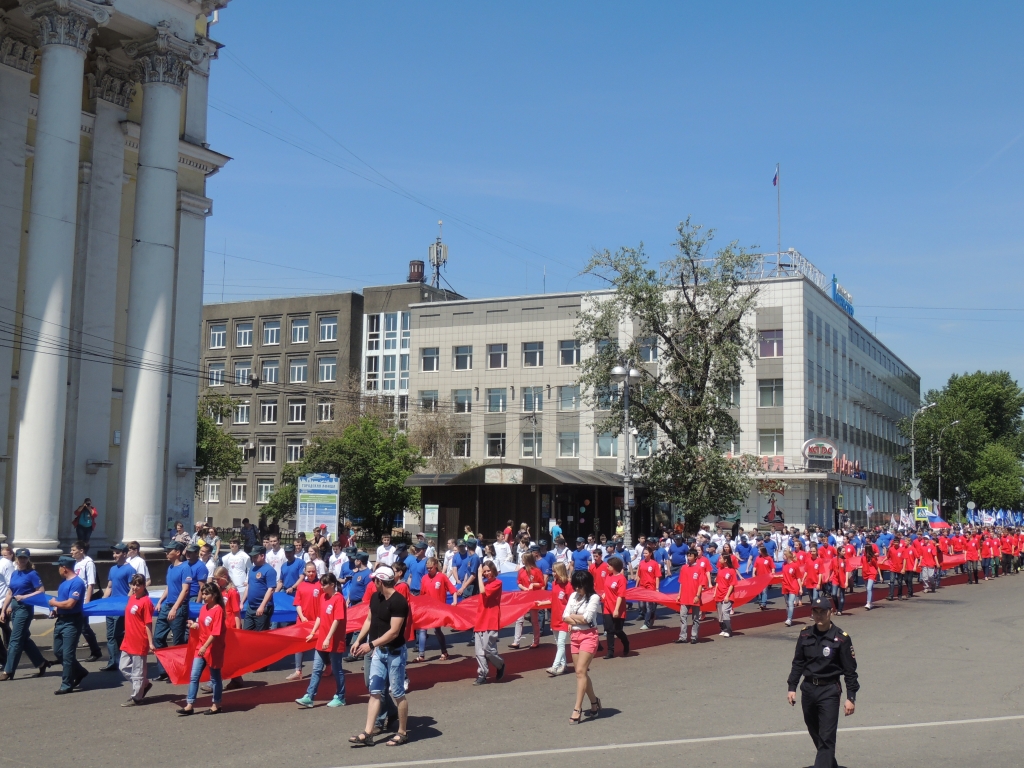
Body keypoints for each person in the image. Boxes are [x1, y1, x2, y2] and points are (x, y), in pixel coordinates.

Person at [787, 595, 859, 768]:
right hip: (809, 690)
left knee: (827, 738)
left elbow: (850, 670)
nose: (818, 616)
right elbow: (798, 663)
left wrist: (851, 697)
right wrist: (792, 687)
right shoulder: (805, 635)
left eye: (823, 612)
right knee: (816, 734)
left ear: (830, 613)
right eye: (815, 612)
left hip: (829, 691)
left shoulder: (841, 638)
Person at [350, 565, 411, 747]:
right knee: (375, 691)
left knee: (398, 692)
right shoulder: (375, 597)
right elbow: (369, 620)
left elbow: (393, 632)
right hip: (379, 653)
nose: (372, 582)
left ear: (380, 581)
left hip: (395, 653)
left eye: (374, 579)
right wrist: (358, 639)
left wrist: (370, 645)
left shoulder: (399, 602)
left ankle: (402, 732)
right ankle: (368, 733)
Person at [296, 572, 347, 709]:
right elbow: (319, 616)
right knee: (317, 668)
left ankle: (341, 696)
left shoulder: (339, 599)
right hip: (322, 638)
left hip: (334, 640)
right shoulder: (323, 597)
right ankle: (310, 696)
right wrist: (313, 632)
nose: (322, 587)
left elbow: (337, 620)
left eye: (324, 584)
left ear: (332, 585)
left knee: (337, 670)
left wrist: (329, 638)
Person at [0, 549, 52, 680]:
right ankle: (41, 662)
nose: (22, 560)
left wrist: (25, 596)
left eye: (25, 558)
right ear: (16, 558)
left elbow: (40, 590)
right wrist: (4, 609)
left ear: (28, 559)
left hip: (25, 609)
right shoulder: (15, 573)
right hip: (15, 607)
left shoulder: (32, 574)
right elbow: (10, 592)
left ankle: (8, 671)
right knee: (24, 639)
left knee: (15, 640)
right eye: (20, 557)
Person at [178, 582, 226, 715]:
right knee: (194, 676)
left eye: (206, 594)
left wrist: (205, 647)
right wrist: (194, 625)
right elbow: (202, 625)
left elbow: (215, 633)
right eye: (203, 593)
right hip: (201, 647)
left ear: (214, 595)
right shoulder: (204, 608)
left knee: (215, 678)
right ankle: (189, 704)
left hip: (213, 648)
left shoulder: (218, 610)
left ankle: (216, 704)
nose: (203, 596)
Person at [563, 568, 603, 723]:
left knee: (580, 671)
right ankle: (594, 701)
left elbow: (587, 619)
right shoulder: (573, 595)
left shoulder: (594, 598)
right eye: (575, 586)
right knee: (581, 673)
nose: (577, 589)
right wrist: (574, 618)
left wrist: (572, 617)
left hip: (589, 636)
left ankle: (577, 708)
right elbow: (564, 616)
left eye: (580, 586)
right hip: (574, 636)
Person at [49, 555, 89, 694]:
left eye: (59, 567)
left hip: (72, 621)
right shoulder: (63, 582)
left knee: (67, 654)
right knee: (58, 651)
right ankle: (80, 671)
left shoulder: (77, 583)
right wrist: (55, 609)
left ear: (65, 568)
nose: (58, 570)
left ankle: (67, 684)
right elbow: (63, 601)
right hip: (61, 620)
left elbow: (70, 603)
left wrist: (54, 603)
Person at [154, 542, 192, 682]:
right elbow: (169, 587)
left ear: (178, 552)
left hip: (179, 607)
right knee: (158, 637)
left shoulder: (185, 568)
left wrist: (175, 608)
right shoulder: (170, 568)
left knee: (177, 641)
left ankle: (177, 671)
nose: (167, 552)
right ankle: (164, 670)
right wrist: (160, 601)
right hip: (167, 606)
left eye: (169, 550)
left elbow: (185, 589)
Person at [118, 573, 154, 706]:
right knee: (123, 667)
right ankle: (144, 684)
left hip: (140, 640)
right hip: (128, 639)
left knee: (138, 671)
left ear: (144, 586)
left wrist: (151, 642)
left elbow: (148, 624)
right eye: (133, 584)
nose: (135, 587)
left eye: (138, 585)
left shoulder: (146, 602)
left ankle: (137, 697)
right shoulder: (132, 597)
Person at [101, 543, 136, 672]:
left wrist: (125, 605)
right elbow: (109, 587)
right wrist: (103, 602)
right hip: (111, 606)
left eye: (117, 553)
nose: (114, 555)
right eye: (114, 553)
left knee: (118, 635)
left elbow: (132, 589)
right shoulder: (113, 569)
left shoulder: (130, 569)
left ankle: (123, 660)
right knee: (110, 636)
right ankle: (112, 661)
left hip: (121, 608)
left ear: (125, 554)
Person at [471, 561, 506, 686]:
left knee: (488, 648)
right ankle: (482, 674)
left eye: (488, 570)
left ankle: (500, 664)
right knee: (479, 651)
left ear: (493, 570)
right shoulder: (485, 583)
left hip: (490, 620)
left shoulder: (497, 583)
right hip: (481, 619)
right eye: (484, 571)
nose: (486, 573)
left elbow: (482, 591)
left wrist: (479, 575)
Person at [288, 561, 322, 681]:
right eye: (309, 571)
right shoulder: (301, 585)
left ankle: (323, 669)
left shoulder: (321, 584)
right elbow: (297, 603)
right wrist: (302, 617)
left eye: (313, 571)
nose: (311, 573)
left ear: (316, 571)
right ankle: (298, 671)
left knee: (320, 646)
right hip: (303, 621)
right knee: (299, 646)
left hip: (317, 621)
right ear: (305, 572)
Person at [70, 541, 103, 662]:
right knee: (76, 626)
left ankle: (95, 651)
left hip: (83, 600)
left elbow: (91, 583)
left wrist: (87, 601)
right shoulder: (77, 563)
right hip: (75, 599)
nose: (71, 552)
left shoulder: (88, 563)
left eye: (73, 550)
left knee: (84, 627)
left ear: (81, 551)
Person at [419, 557, 456, 661]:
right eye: (427, 568)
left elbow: (453, 590)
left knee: (437, 630)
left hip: (438, 609)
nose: (429, 570)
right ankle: (421, 655)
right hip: (427, 608)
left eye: (430, 568)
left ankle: (444, 652)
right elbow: (422, 594)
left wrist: (454, 601)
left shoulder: (442, 577)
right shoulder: (424, 578)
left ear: (435, 566)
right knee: (422, 630)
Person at [511, 552, 545, 649]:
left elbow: (542, 583)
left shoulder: (536, 571)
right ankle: (516, 641)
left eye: (523, 558)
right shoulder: (521, 571)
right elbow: (519, 583)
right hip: (523, 597)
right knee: (519, 619)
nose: (522, 560)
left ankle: (536, 641)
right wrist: (524, 588)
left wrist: (533, 585)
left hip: (533, 597)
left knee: (534, 620)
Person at [546, 562, 572, 675]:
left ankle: (555, 667)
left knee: (561, 643)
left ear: (560, 571)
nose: (553, 573)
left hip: (565, 618)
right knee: (558, 643)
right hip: (555, 617)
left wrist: (571, 620)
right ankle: (563, 665)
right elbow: (552, 600)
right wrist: (541, 602)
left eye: (554, 571)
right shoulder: (554, 583)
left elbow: (572, 604)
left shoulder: (568, 585)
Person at [601, 557, 630, 659]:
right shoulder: (608, 576)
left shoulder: (621, 579)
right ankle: (610, 651)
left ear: (614, 567)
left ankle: (626, 643)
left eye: (609, 565)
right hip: (607, 607)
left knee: (617, 630)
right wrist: (604, 594)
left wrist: (617, 609)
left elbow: (620, 595)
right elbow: (607, 588)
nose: (607, 567)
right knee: (609, 630)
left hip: (618, 607)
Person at [244, 545, 277, 631]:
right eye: (252, 557)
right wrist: (242, 602)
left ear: (262, 556)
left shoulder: (269, 570)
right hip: (250, 607)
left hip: (262, 608)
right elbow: (248, 586)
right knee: (246, 632)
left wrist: (262, 606)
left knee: (260, 635)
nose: (253, 559)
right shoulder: (252, 569)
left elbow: (271, 589)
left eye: (255, 557)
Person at [675, 549, 704, 644]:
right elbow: (681, 582)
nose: (689, 558)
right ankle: (682, 637)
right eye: (688, 556)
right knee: (682, 617)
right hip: (684, 596)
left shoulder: (699, 568)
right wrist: (679, 594)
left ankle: (694, 636)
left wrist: (697, 596)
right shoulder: (684, 568)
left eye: (691, 556)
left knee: (695, 618)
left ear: (695, 557)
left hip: (694, 597)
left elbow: (701, 584)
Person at [636, 547, 661, 629]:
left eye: (646, 553)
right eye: (644, 553)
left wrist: (657, 588)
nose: (644, 555)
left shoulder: (654, 564)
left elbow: (657, 577)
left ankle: (646, 623)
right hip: (642, 586)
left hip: (651, 586)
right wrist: (636, 586)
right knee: (642, 605)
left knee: (648, 605)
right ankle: (652, 615)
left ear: (650, 554)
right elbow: (639, 576)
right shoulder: (641, 563)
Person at [221, 538, 251, 603]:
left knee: (240, 603)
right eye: (231, 543)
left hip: (241, 584)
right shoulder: (226, 557)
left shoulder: (244, 556)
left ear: (238, 545)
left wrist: (247, 580)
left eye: (234, 543)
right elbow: (224, 570)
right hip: (230, 584)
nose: (232, 545)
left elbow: (250, 569)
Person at [715, 553, 737, 637]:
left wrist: (727, 595)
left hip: (727, 594)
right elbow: (717, 582)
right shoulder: (720, 569)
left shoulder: (731, 570)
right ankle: (723, 629)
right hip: (719, 594)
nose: (719, 560)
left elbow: (732, 584)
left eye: (721, 558)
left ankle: (728, 630)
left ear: (725, 560)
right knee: (720, 613)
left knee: (725, 611)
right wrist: (715, 592)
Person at [862, 545, 879, 610]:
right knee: (868, 589)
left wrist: (879, 575)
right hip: (865, 574)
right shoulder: (863, 557)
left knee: (869, 588)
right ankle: (870, 602)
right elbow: (862, 565)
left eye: (864, 548)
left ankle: (868, 603)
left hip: (872, 574)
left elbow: (876, 566)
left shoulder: (873, 558)